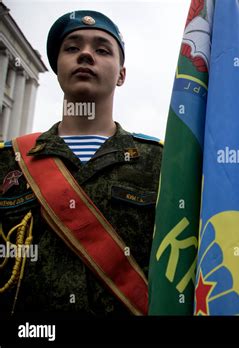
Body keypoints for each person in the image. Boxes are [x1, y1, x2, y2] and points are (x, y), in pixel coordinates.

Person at [0, 10, 163, 315]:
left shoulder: (161, 163)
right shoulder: (8, 162)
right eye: (72, 48)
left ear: (121, 74)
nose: (86, 54)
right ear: (58, 66)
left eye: (102, 49)